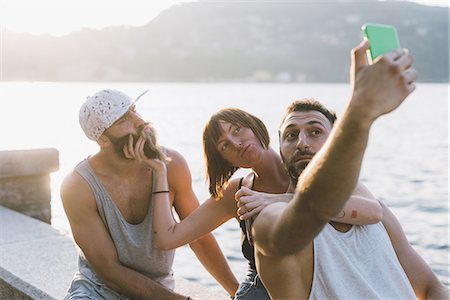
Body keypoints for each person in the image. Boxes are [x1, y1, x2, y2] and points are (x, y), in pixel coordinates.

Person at [238, 40, 449, 299]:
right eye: (291, 135)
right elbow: (312, 209)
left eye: (315, 132)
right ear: (280, 148)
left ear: (333, 139)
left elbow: (432, 287)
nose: (302, 142)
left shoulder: (379, 215)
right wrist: (360, 111)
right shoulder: (270, 219)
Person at [127, 107, 383, 300]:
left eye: (237, 130)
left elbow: (373, 212)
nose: (237, 143)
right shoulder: (238, 191)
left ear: (254, 125)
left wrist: (275, 200)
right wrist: (160, 171)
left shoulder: (305, 165)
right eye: (225, 145)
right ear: (225, 159)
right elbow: (168, 238)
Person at [61, 89, 239, 299]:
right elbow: (108, 270)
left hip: (158, 287)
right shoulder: (78, 186)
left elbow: (198, 238)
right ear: (103, 140)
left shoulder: (172, 164)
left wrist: (236, 292)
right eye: (123, 120)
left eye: (134, 110)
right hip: (98, 290)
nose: (139, 121)